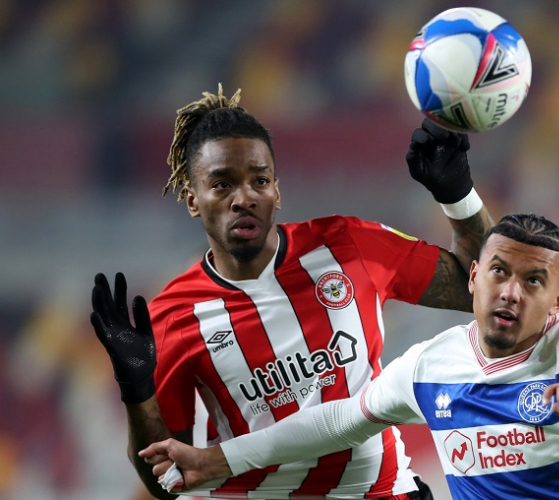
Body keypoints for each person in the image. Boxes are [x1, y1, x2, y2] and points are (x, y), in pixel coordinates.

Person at [90, 84, 494, 499]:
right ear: (193, 200)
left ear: (276, 192)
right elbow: (167, 479)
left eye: (259, 181)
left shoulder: (348, 245)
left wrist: (458, 195)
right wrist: (136, 387)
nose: (244, 198)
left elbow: (481, 292)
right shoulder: (173, 316)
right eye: (222, 185)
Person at [139, 213, 559, 500]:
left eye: (534, 281)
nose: (511, 292)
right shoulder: (431, 366)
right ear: (474, 277)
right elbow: (338, 421)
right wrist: (220, 460)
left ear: (557, 301)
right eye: (499, 272)